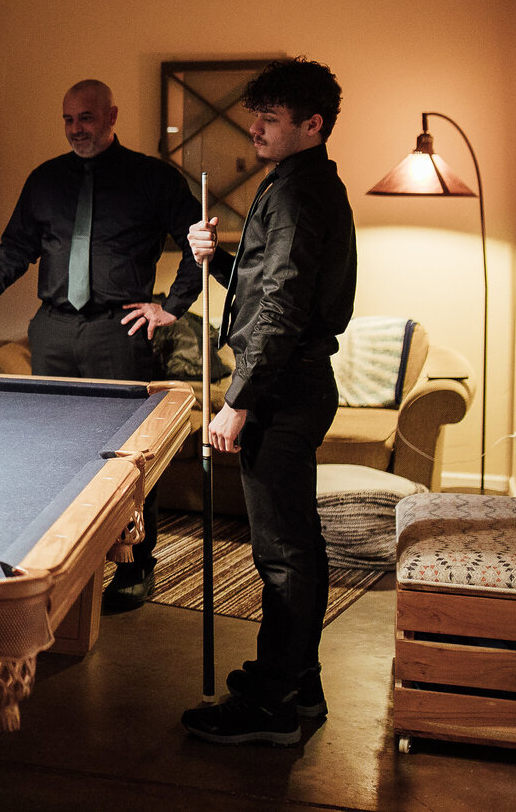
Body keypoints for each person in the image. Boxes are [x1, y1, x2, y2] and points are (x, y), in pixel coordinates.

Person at [0, 78, 202, 610]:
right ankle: (59, 554)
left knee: (125, 455)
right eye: (69, 119)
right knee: (52, 451)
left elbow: (198, 241)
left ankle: (137, 564)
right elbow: (17, 247)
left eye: (87, 118)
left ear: (112, 115)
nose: (77, 129)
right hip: (51, 329)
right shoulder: (46, 179)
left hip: (118, 333)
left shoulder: (151, 178)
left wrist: (171, 305)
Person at [181, 57, 356, 746]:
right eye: (256, 113)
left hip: (284, 392)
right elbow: (271, 286)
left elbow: (281, 307)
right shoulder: (300, 181)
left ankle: (274, 707)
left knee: (282, 553)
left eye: (272, 118)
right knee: (295, 546)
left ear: (312, 125)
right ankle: (295, 684)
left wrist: (239, 401)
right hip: (297, 385)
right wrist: (215, 259)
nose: (255, 126)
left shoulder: (297, 193)